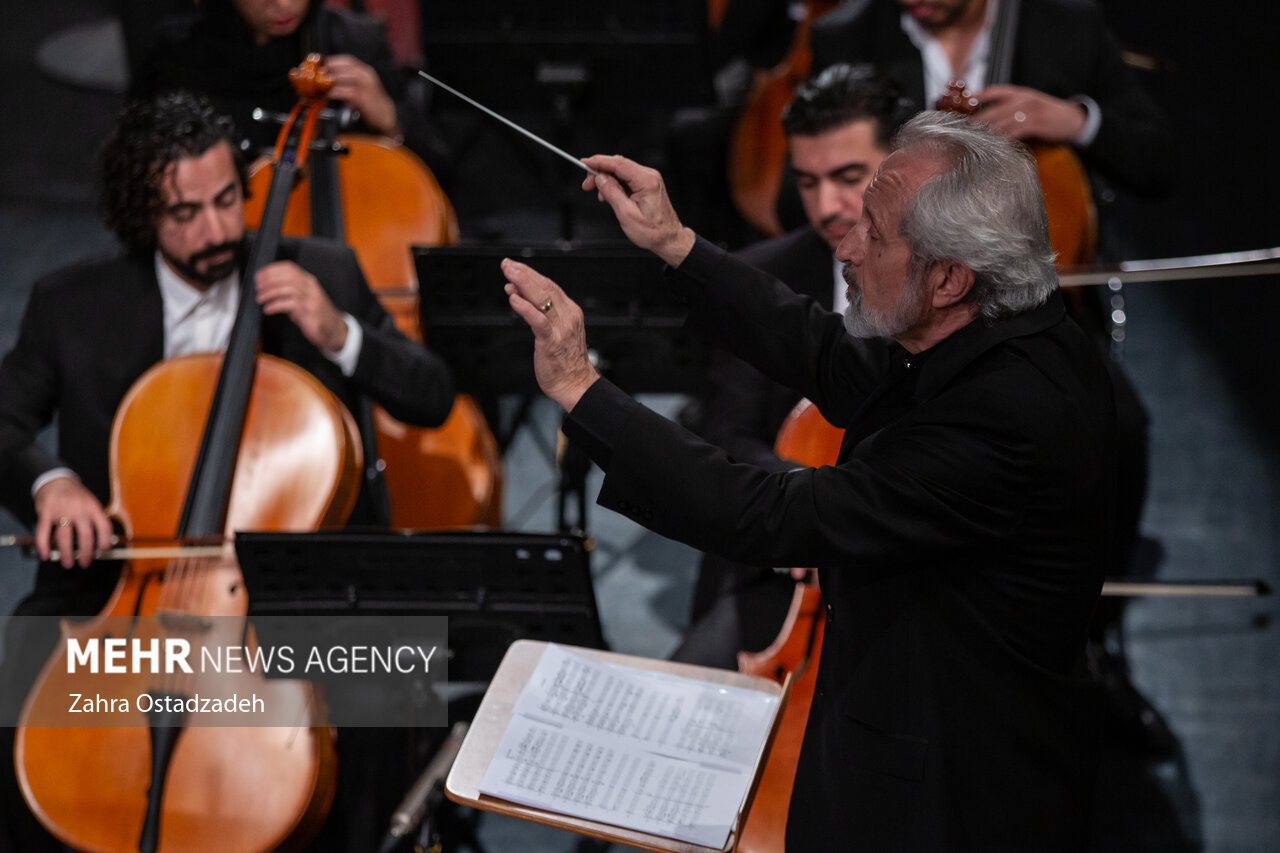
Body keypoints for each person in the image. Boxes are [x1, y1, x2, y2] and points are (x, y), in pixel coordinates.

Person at [504, 112, 1116, 849]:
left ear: (951, 277)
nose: (847, 248)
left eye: (875, 236)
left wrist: (579, 388)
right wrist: (675, 243)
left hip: (945, 799)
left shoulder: (1008, 418)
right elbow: (831, 356)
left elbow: (766, 515)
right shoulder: (997, 329)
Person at [0, 90, 453, 851]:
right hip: (127, 587)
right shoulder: (70, 303)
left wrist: (340, 333)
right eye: (184, 214)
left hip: (298, 592)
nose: (215, 231)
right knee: (19, 671)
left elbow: (433, 395)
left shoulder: (323, 272)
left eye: (224, 201)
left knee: (382, 682)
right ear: (139, 214)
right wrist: (56, 484)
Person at [809, 0, 1172, 749]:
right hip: (905, 297)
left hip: (1031, 313)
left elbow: (1159, 156)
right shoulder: (853, 33)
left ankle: (1084, 631)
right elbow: (821, 165)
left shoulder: (1065, 29)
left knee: (1121, 426)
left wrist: (1075, 121)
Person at [675, 63, 915, 668]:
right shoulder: (761, 273)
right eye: (807, 182)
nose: (827, 205)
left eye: (849, 177)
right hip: (784, 562)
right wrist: (806, 512)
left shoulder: (950, 283)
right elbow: (726, 433)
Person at [131, 0, 451, 178]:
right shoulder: (175, 62)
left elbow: (442, 171)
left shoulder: (355, 41)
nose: (284, 3)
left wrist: (391, 119)